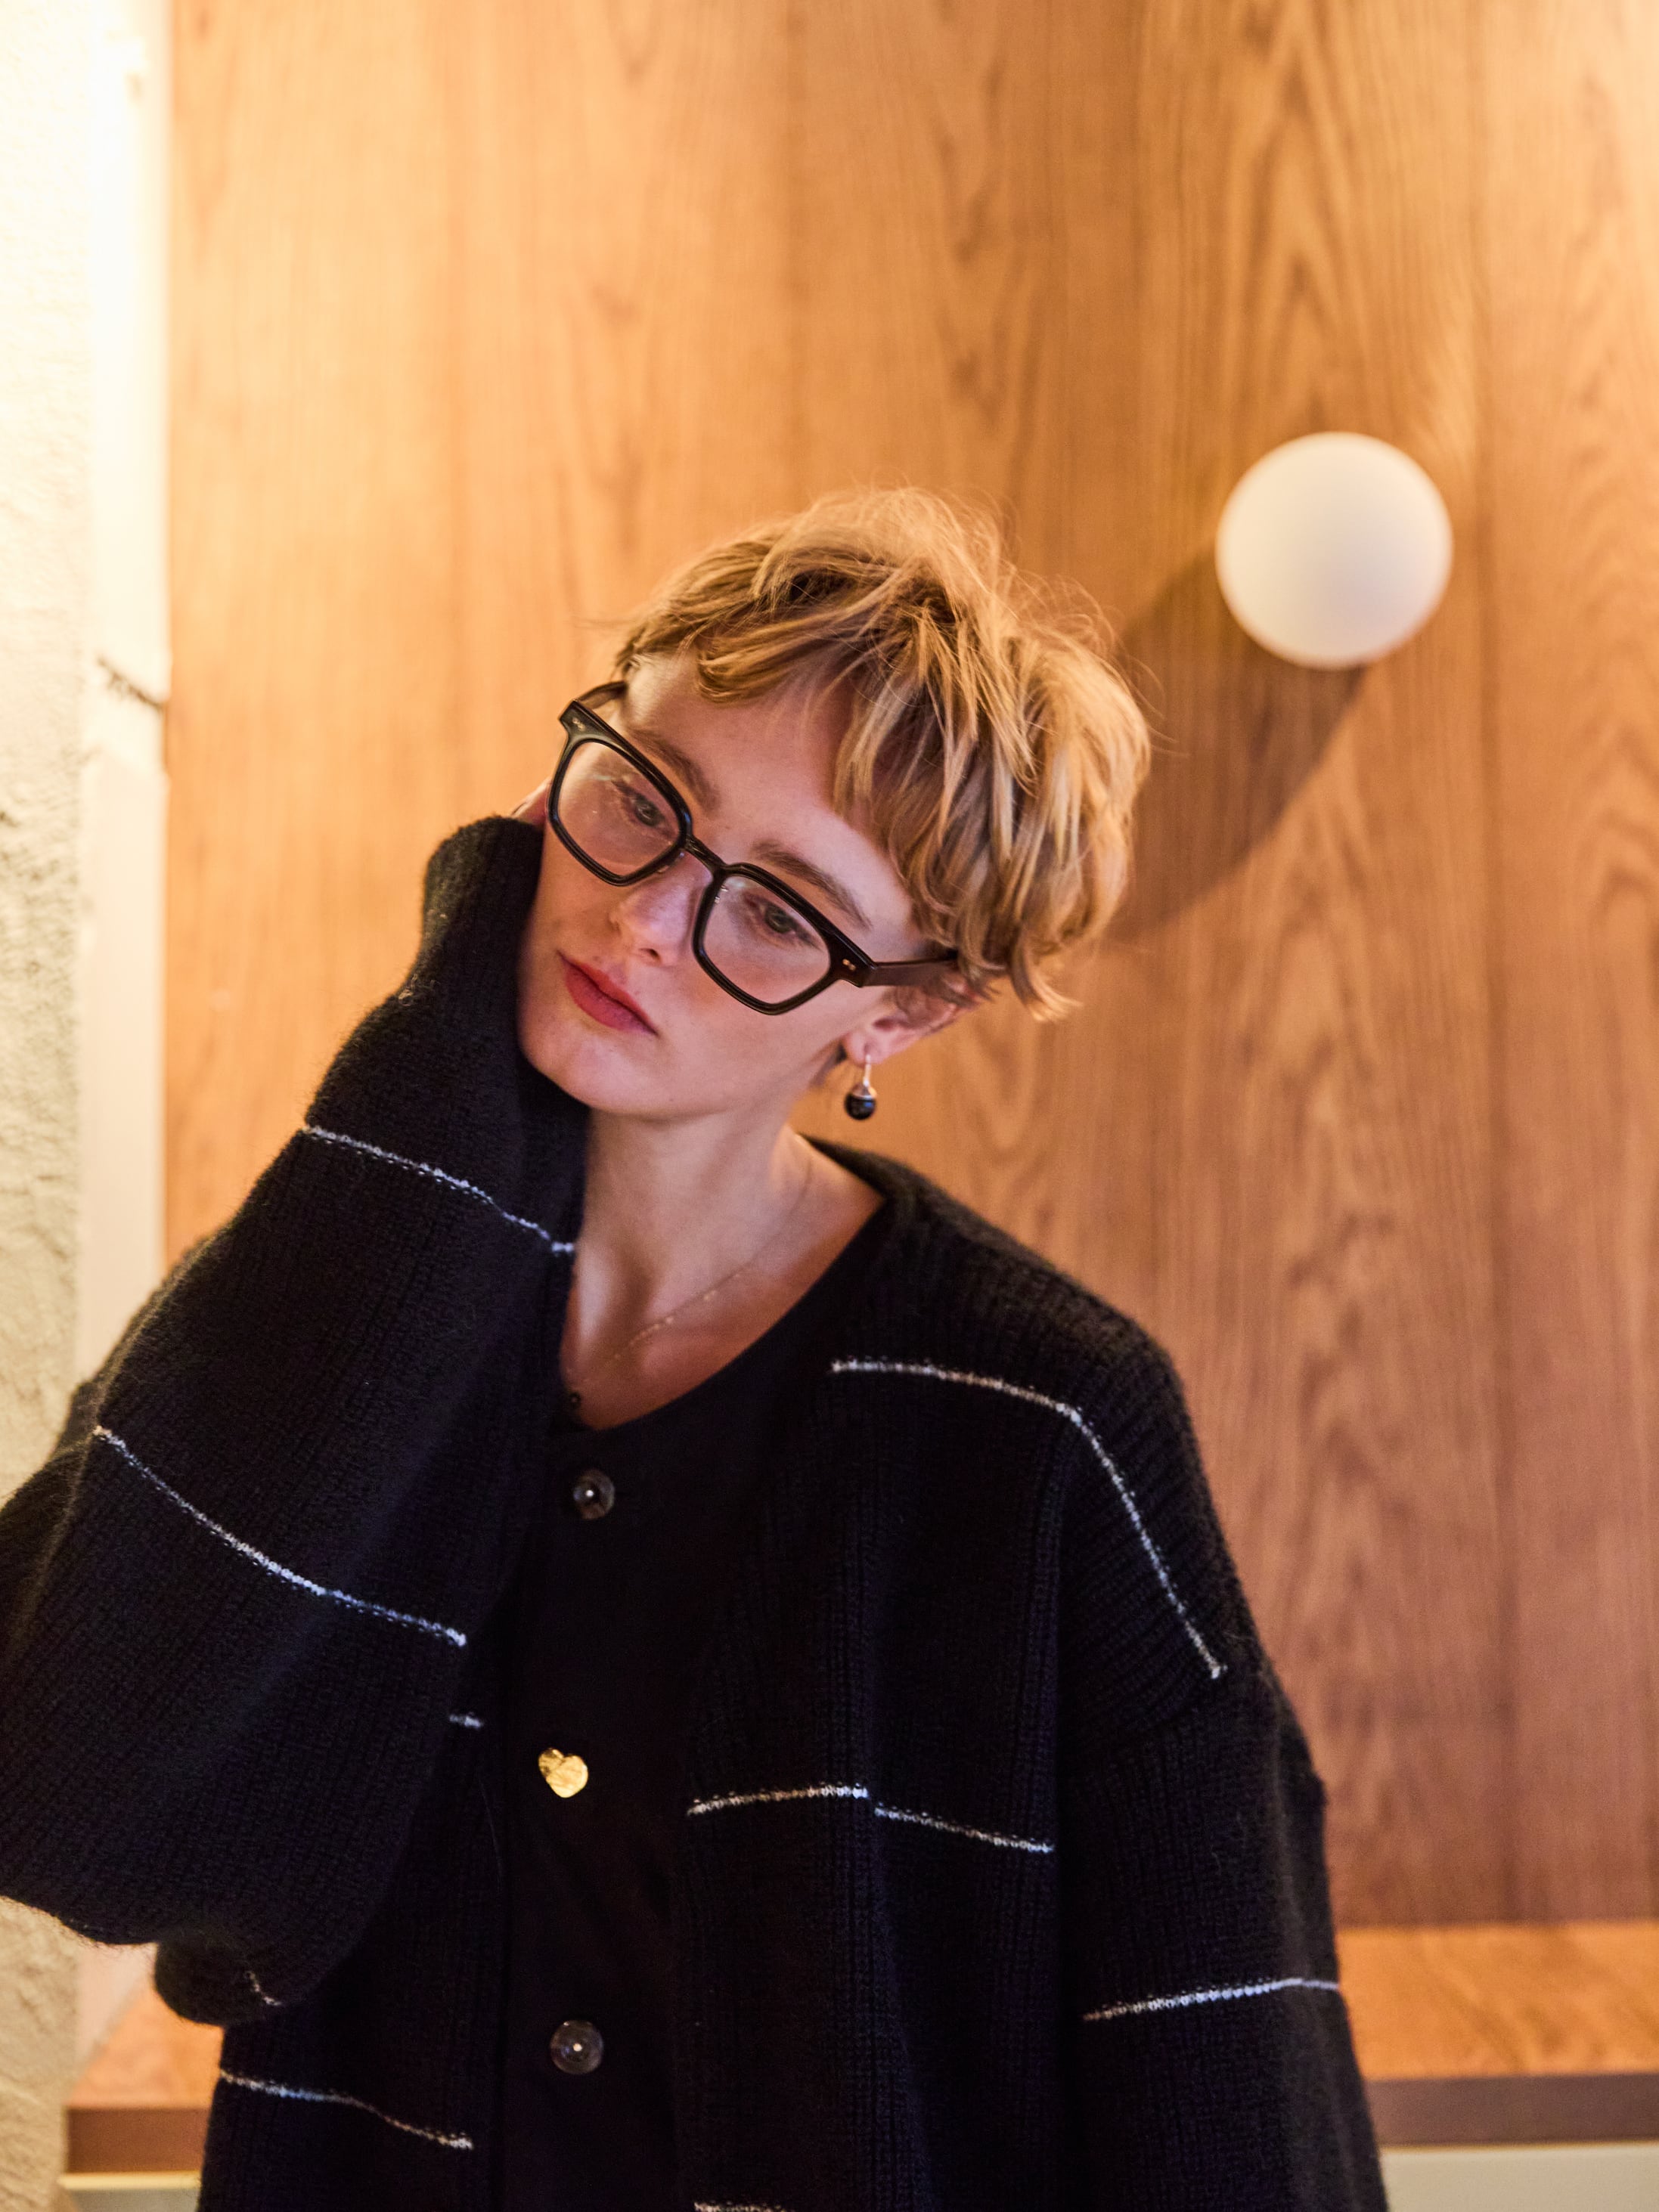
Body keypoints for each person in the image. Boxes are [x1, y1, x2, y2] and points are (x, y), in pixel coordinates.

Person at [0, 489, 1386, 2210]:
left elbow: (1227, 2081)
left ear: (901, 1008)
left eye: (781, 911)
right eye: (641, 798)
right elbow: (65, 1793)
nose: (648, 916)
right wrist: (438, 1042)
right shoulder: (348, 1290)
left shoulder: (1039, 1420)